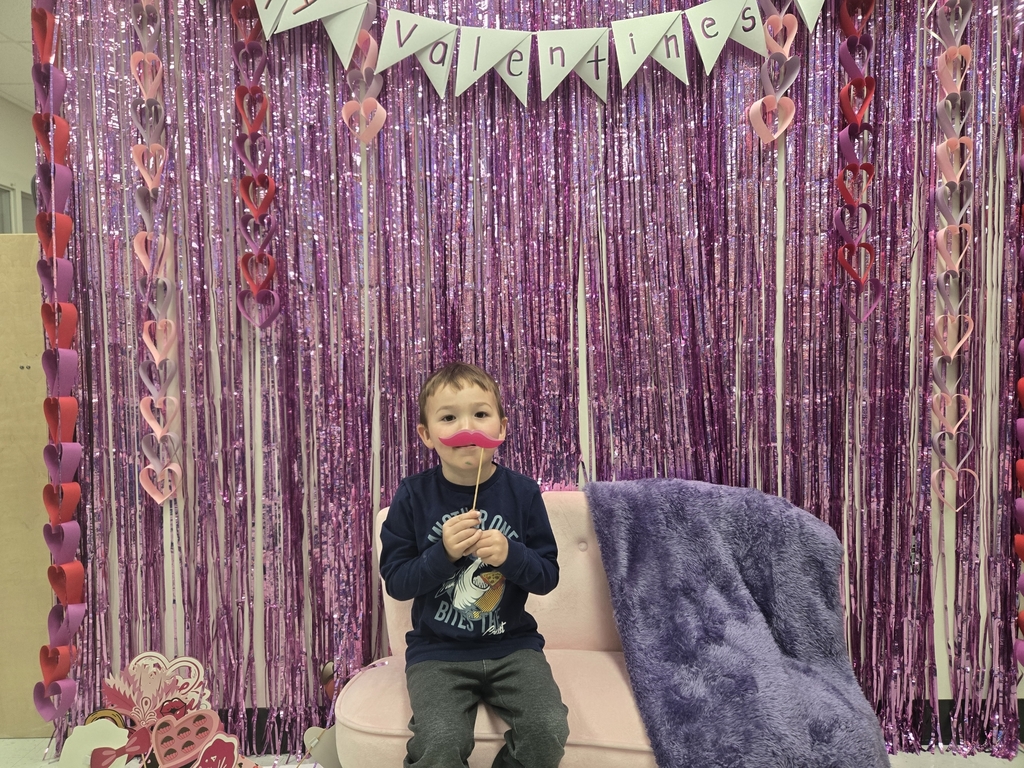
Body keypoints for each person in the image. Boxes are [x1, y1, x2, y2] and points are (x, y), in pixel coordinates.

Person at [379, 362, 570, 768]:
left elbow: (547, 576)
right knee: (441, 739)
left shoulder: (523, 493)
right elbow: (396, 582)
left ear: (501, 428)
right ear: (427, 435)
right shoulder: (413, 496)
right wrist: (443, 555)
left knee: (548, 727)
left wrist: (512, 554)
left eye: (480, 414)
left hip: (513, 647)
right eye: (449, 417)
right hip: (437, 652)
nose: (468, 429)